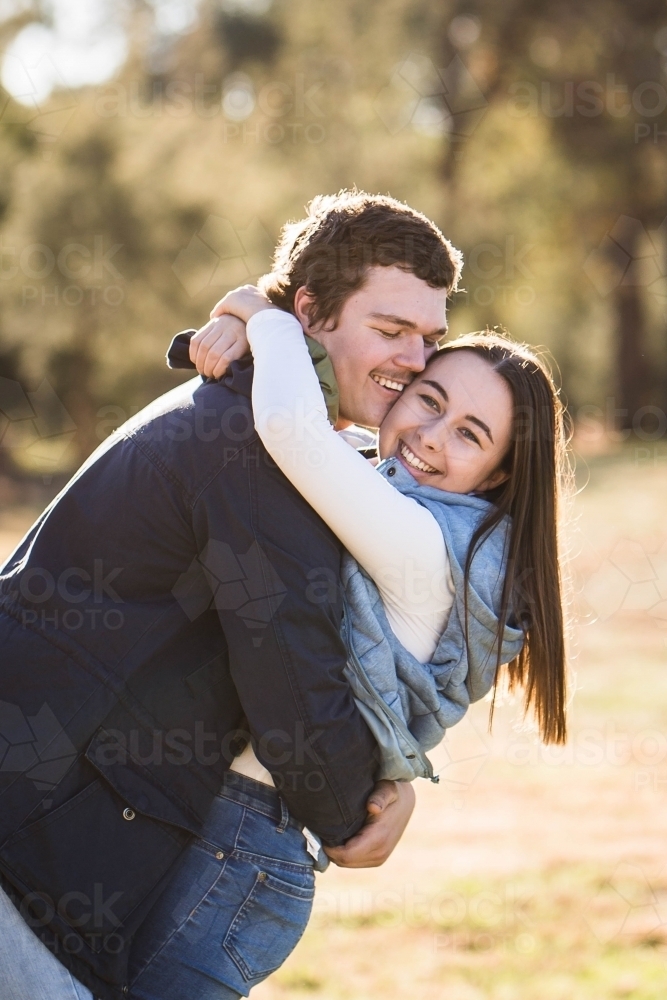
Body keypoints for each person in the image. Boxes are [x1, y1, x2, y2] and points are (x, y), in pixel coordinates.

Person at [0, 190, 462, 1000]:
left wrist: (256, 311)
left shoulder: (264, 422)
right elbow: (291, 667)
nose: (416, 359)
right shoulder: (251, 444)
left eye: (430, 337)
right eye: (390, 331)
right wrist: (365, 808)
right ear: (311, 314)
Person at [186, 285, 570, 788]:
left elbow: (290, 426)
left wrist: (260, 313)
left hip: (248, 819)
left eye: (469, 435)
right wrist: (249, 331)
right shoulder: (376, 479)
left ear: (496, 476)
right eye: (429, 400)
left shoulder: (430, 546)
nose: (431, 435)